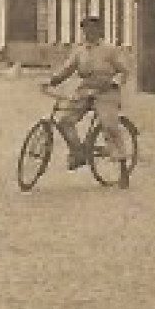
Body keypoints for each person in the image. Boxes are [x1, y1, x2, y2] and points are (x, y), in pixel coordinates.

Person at [43, 15, 134, 187]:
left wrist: (114, 83)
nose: (89, 33)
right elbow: (67, 69)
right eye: (85, 29)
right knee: (65, 121)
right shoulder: (79, 51)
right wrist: (53, 81)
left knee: (109, 125)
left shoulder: (110, 50)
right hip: (85, 90)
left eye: (93, 29)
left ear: (99, 31)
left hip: (106, 92)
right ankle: (78, 153)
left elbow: (124, 70)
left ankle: (123, 167)